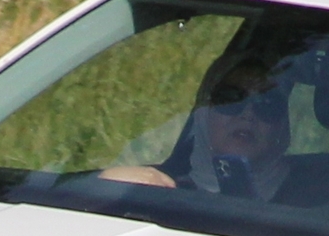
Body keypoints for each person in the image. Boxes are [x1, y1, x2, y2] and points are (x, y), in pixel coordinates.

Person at [99, 58, 293, 200]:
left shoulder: (308, 201)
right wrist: (108, 181)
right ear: (203, 112)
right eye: (232, 98)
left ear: (281, 126)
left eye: (267, 103)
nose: (248, 115)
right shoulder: (160, 188)